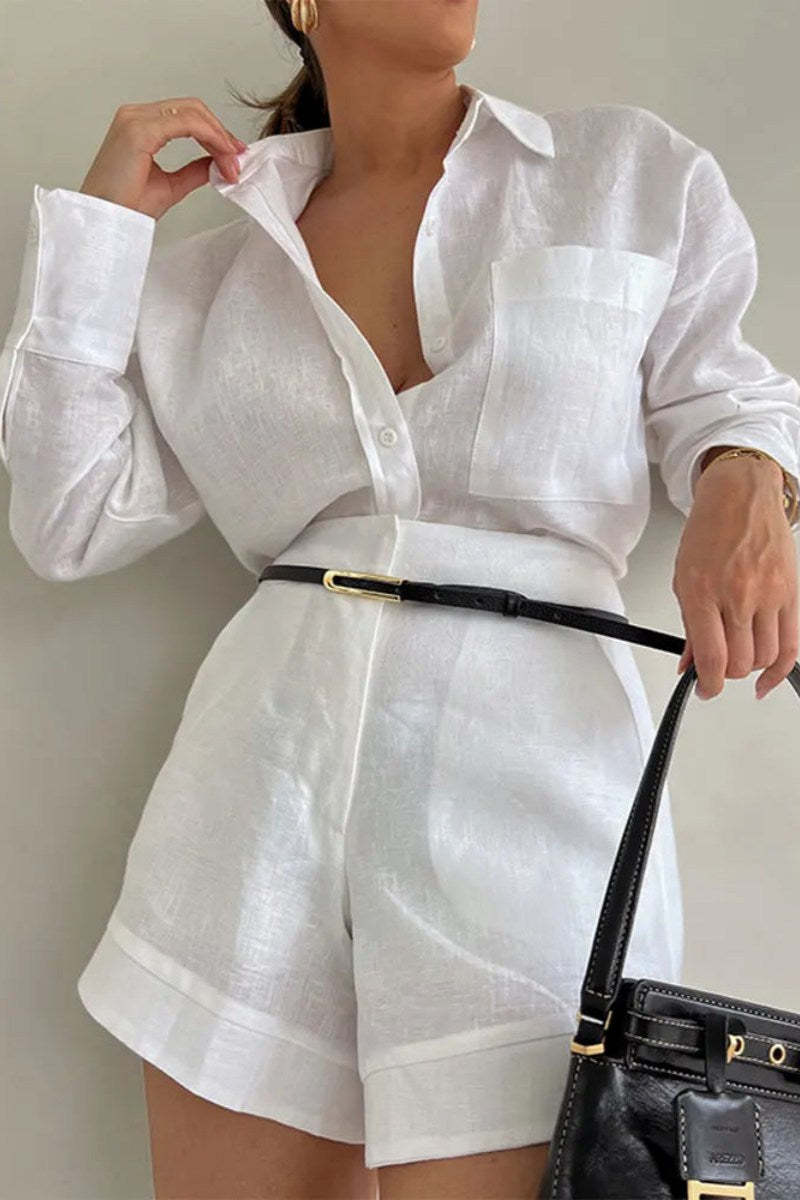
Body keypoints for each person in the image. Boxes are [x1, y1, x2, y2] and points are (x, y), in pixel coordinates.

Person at [2, 0, 799, 1195]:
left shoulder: (622, 173)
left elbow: (726, 395)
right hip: (252, 795)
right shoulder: (213, 274)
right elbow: (67, 518)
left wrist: (746, 479)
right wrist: (99, 235)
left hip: (537, 788)